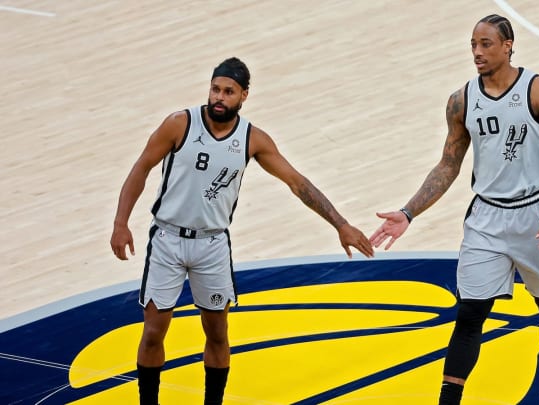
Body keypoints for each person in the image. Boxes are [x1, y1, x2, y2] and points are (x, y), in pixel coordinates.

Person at [110, 57, 374, 405]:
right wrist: (120, 222)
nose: (219, 97)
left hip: (212, 245)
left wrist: (340, 224)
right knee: (154, 331)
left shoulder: (252, 139)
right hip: (168, 240)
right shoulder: (179, 124)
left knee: (218, 334)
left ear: (244, 96)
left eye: (228, 92)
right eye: (215, 89)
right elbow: (141, 167)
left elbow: (297, 182)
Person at [370, 14, 539, 405]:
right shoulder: (462, 100)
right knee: (469, 315)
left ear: (508, 45)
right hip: (486, 218)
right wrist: (409, 211)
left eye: (486, 44)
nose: (477, 52)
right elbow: (449, 163)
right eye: (473, 44)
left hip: (537, 213)